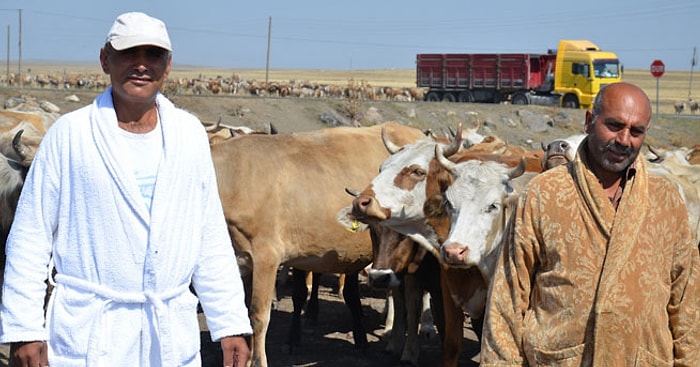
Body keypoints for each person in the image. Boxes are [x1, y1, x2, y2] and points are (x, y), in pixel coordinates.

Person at [0, 12, 252, 366]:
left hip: (168, 338)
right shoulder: (70, 135)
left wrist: (230, 322)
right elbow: (30, 236)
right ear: (105, 59)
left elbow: (208, 236)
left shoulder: (189, 135)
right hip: (91, 337)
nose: (141, 65)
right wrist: (25, 328)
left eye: (153, 55)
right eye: (128, 54)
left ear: (168, 65)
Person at [481, 82, 700, 366]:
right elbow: (507, 296)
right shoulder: (545, 193)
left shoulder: (665, 198)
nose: (624, 139)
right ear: (589, 121)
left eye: (636, 131)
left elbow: (686, 299)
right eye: (614, 125)